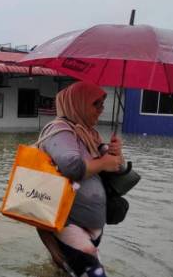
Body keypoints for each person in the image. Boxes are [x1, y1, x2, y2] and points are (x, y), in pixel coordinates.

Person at [36, 81, 124, 277]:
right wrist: (103, 163)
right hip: (67, 222)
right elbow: (71, 166)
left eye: (103, 104)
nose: (101, 109)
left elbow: (119, 168)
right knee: (95, 273)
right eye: (96, 104)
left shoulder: (88, 133)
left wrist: (116, 153)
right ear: (78, 103)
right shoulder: (60, 130)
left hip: (91, 223)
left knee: (67, 271)